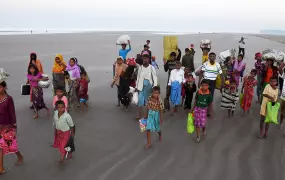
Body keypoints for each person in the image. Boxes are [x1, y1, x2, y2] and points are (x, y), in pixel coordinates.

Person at [0, 81, 23, 174]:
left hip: (7, 126)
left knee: (11, 146)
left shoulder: (9, 99)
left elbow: (12, 112)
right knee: (1, 146)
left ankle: (19, 156)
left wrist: (14, 125)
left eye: (0, 87)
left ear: (5, 87)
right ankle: (1, 168)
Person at [135, 53, 158, 119]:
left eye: (146, 59)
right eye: (144, 59)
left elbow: (155, 78)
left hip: (149, 87)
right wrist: (136, 87)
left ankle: (146, 115)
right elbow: (138, 78)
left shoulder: (152, 68)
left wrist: (155, 87)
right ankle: (139, 116)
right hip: (141, 86)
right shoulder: (140, 68)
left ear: (149, 60)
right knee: (140, 100)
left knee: (148, 102)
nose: (145, 60)